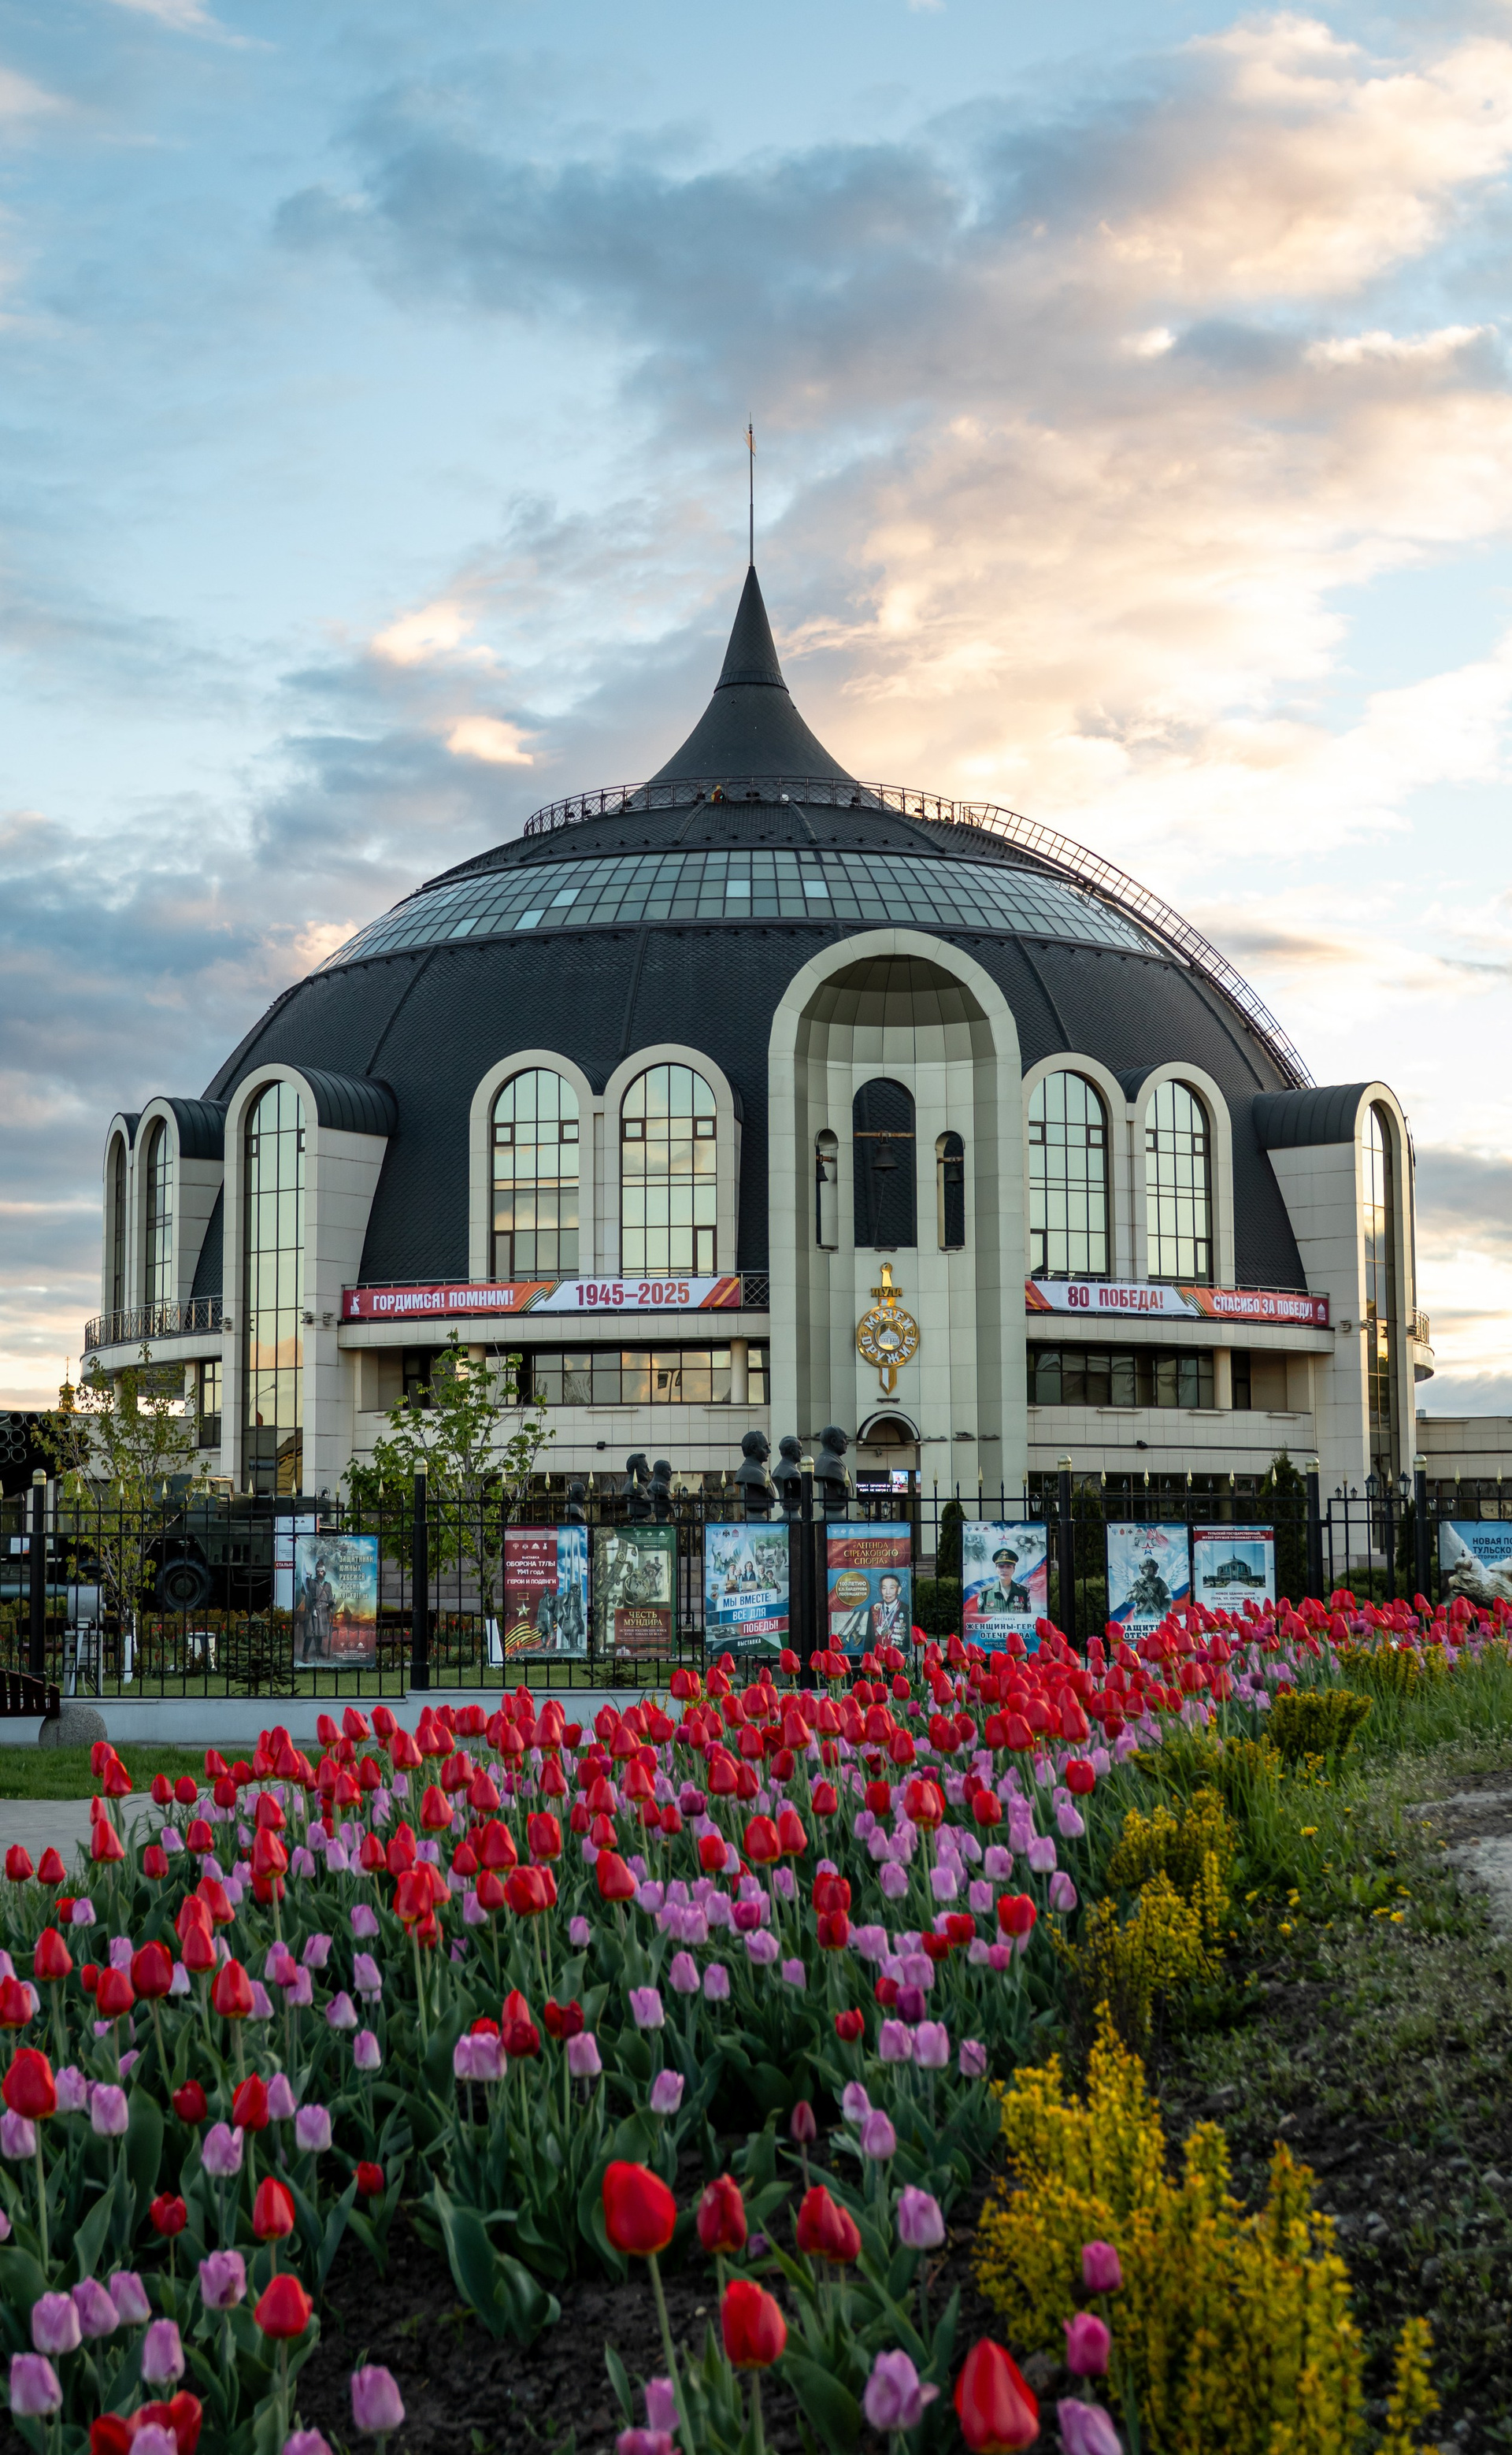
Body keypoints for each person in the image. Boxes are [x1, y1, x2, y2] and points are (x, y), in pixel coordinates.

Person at [975, 1545, 1032, 1616]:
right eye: (1001, 1566)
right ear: (996, 1569)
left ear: (1014, 1569)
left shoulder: (1023, 1593)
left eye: (1008, 1567)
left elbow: (1028, 1619)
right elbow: (980, 1620)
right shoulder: (986, 1594)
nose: (1004, 1570)